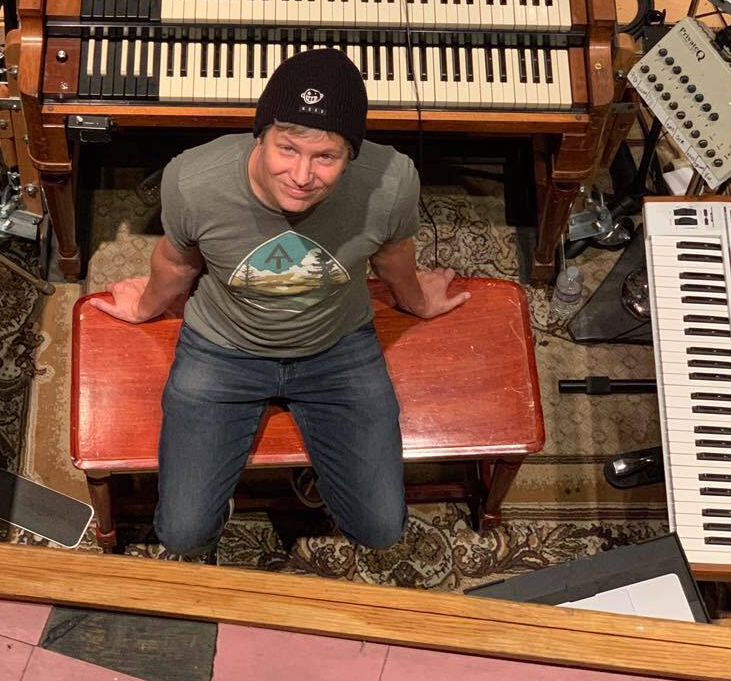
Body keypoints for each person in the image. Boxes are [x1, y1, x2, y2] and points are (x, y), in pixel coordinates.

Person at [93, 48, 470, 557]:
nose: (301, 175)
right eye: (287, 149)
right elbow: (177, 263)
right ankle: (225, 499)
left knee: (381, 529)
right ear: (262, 134)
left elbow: (392, 255)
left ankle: (326, 472)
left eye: (326, 157)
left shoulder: (393, 181)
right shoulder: (192, 180)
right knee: (182, 534)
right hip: (221, 348)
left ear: (352, 155)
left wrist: (418, 300)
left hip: (338, 346)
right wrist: (144, 306)